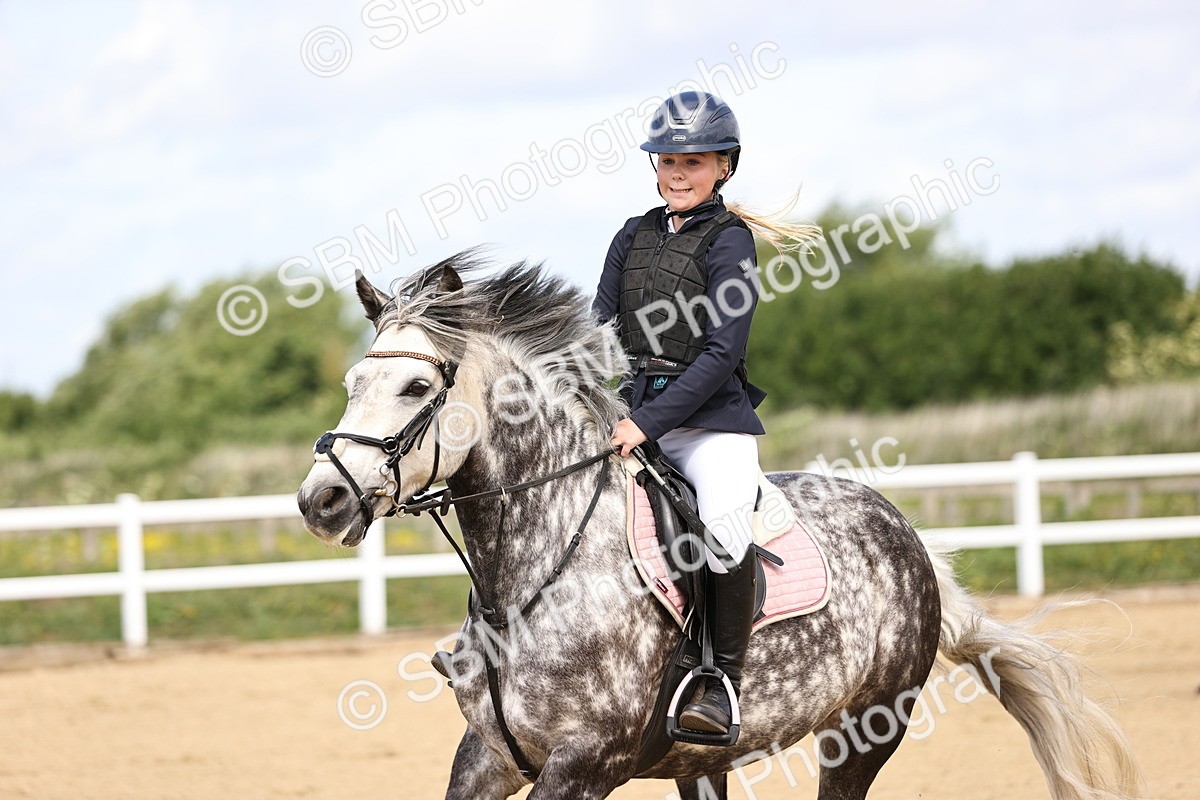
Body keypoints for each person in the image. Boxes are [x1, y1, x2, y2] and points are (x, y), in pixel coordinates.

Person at [593, 90, 819, 737]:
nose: (678, 174)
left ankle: (718, 681)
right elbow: (599, 333)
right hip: (632, 419)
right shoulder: (630, 236)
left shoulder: (731, 243)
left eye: (694, 162)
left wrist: (647, 423)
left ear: (724, 166)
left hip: (709, 427)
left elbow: (722, 353)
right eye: (668, 161)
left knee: (722, 525)